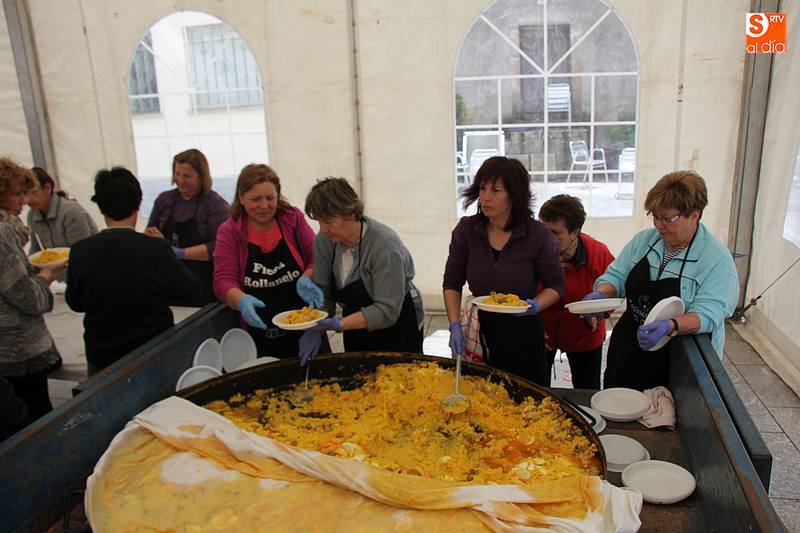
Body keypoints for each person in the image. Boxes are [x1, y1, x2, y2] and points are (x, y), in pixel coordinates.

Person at [587, 170, 739, 390]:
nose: (659, 225)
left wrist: (670, 325)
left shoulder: (716, 259)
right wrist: (602, 292)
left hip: (680, 358)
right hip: (630, 348)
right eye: (655, 216)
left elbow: (710, 313)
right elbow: (616, 276)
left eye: (667, 218)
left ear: (694, 215)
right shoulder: (644, 242)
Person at [66, 167, 201, 375]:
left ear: (100, 207)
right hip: (152, 355)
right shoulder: (155, 249)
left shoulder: (80, 250)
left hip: (102, 357)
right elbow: (190, 291)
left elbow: (75, 303)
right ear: (138, 204)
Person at [443, 157, 564, 386]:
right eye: (482, 188)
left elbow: (556, 285)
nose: (485, 197)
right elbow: (452, 282)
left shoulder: (536, 234)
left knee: (525, 396)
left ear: (514, 195)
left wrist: (535, 305)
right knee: (479, 395)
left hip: (523, 332)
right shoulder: (467, 231)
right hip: (480, 328)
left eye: (495, 190)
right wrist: (454, 324)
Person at [299, 177, 425, 363]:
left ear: (350, 213)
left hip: (397, 324)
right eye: (319, 222)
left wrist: (339, 324)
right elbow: (323, 291)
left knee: (399, 377)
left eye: (328, 221)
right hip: (355, 324)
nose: (323, 229)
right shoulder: (324, 242)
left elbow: (387, 310)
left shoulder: (385, 246)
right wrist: (315, 325)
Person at [214, 164, 329, 360]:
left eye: (270, 198)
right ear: (241, 197)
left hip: (304, 325)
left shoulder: (292, 219)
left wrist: (307, 277)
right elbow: (223, 280)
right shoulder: (230, 231)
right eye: (256, 199)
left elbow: (317, 258)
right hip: (260, 332)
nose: (264, 205)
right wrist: (240, 300)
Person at [0, 157, 63, 422]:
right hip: (17, 350)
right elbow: (26, 296)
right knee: (34, 420)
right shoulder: (3, 233)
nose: (24, 201)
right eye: (17, 193)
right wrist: (45, 276)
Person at [538, 195, 615, 389]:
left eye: (555, 233)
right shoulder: (531, 251)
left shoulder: (598, 254)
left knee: (587, 392)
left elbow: (617, 289)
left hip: (585, 338)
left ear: (575, 233)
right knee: (536, 391)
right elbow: (519, 291)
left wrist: (601, 313)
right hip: (541, 335)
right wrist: (530, 326)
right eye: (543, 230)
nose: (546, 238)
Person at [145, 149, 229, 306]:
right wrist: (154, 240)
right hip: (169, 284)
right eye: (177, 174)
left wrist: (180, 253)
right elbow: (148, 234)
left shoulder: (215, 205)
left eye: (187, 176)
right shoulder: (164, 200)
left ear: (202, 176)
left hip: (202, 286)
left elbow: (220, 246)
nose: (180, 180)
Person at [27, 166, 99, 253]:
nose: (27, 199)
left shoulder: (71, 212)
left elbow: (82, 251)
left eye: (33, 193)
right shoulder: (32, 216)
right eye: (24, 193)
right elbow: (35, 248)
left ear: (47, 188)